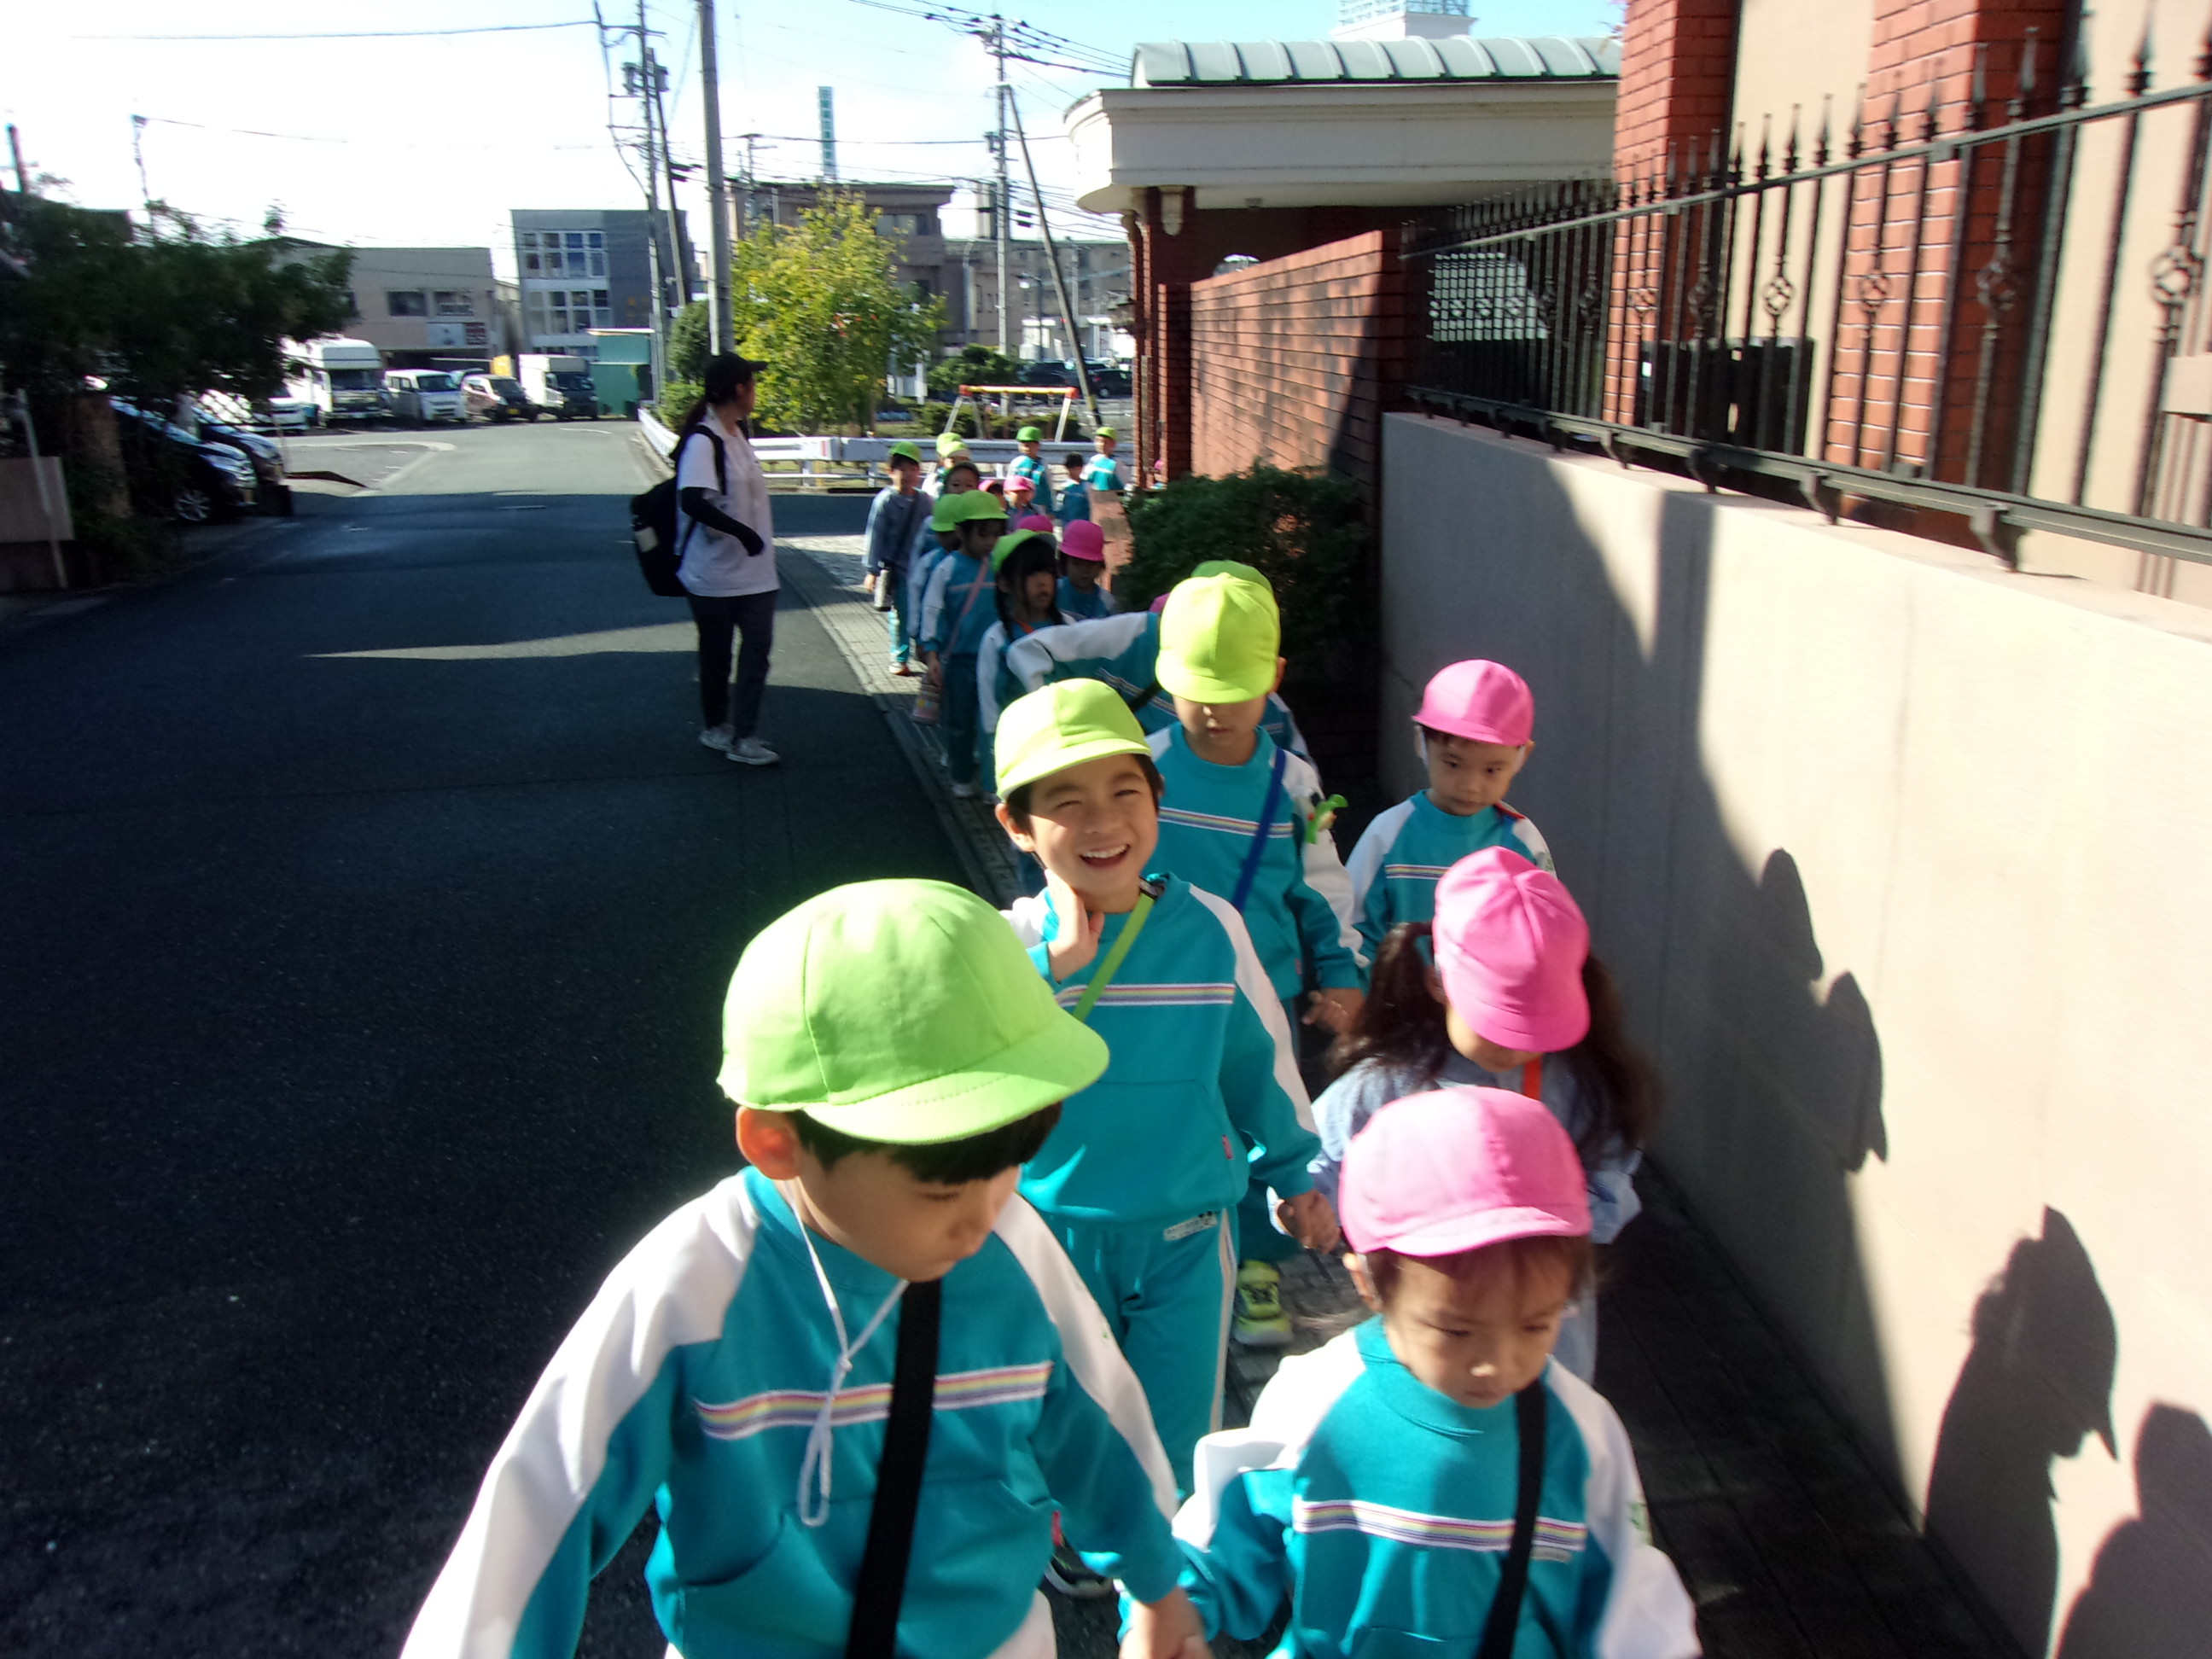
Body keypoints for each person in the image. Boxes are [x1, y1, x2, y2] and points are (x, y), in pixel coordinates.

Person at [399, 878, 1209, 1659]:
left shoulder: (1013, 1243)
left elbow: (1099, 1426)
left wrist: (1156, 1585)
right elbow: (543, 1509)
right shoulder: (696, 1284)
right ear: (777, 1142)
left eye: (1010, 1166)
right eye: (940, 1190)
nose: (983, 1214)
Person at [1161, 1087, 1699, 1659]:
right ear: (1371, 1282)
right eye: (1457, 1331)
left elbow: (1629, 1603)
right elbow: (1222, 1537)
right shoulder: (1313, 1401)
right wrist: (1174, 1611)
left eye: (1536, 1324)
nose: (1497, 1363)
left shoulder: (1582, 1431)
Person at [991, 683, 1339, 1508]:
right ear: (1017, 824)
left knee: (1177, 1433)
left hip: (1189, 1232)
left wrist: (1296, 1174)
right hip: (1050, 1234)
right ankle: (1076, 1540)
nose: (1102, 823)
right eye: (1066, 803)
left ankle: (1162, 1566)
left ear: (1158, 798)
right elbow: (960, 1064)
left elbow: (1260, 1062)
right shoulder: (1006, 948)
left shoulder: (1213, 927)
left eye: (1125, 792)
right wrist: (1051, 969)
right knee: (1063, 1421)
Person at [1312, 847, 1656, 1381]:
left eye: (1536, 1025)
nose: (1517, 1045)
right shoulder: (1386, 1083)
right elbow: (1313, 1162)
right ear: (1438, 984)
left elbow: (1610, 1173)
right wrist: (1303, 1205)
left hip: (1548, 1350)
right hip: (1430, 1341)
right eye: (1500, 1022)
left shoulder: (1584, 1083)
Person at [1142, 568, 1366, 1351]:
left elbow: (1323, 888)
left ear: (1274, 678)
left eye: (1232, 690)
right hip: (1159, 991)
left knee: (1261, 1124)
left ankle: (1260, 1266)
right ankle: (1173, 1252)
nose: (1212, 708)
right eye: (1195, 690)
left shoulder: (1292, 784)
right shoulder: (1143, 767)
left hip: (1262, 997)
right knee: (1176, 1119)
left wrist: (1342, 975)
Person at [1346, 660, 1555, 962]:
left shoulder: (1523, 842)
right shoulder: (1388, 832)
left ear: (1522, 756)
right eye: (1453, 764)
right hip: (1399, 993)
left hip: (1485, 994)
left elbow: (1545, 934)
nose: (1470, 786)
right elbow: (1353, 924)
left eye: (1492, 770)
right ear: (1420, 741)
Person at [1002, 570, 1315, 765]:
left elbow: (1304, 795)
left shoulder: (1272, 712)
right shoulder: (1140, 633)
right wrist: (1064, 743)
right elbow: (1031, 651)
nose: (1215, 705)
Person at [676, 352, 780, 767]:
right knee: (717, 656)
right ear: (739, 389)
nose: (756, 391)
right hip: (714, 575)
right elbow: (691, 500)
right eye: (752, 383)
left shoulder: (739, 434)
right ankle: (717, 726)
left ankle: (744, 736)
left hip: (756, 574)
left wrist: (752, 538)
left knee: (756, 654)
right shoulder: (705, 440)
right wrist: (743, 533)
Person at [919, 490, 1007, 798]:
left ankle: (993, 781)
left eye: (995, 534)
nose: (990, 541)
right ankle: (961, 774)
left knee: (994, 720)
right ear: (962, 531)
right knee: (960, 719)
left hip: (996, 658)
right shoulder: (947, 568)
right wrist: (931, 652)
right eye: (983, 534)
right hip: (959, 660)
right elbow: (931, 609)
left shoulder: (999, 564)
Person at [978, 530, 1068, 746]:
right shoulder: (997, 639)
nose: (1043, 581)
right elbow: (990, 707)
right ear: (1004, 583)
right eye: (1030, 573)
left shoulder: (1069, 628)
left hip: (1064, 741)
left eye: (1048, 571)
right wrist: (995, 748)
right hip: (1018, 744)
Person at [864, 440, 933, 677]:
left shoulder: (925, 501)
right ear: (890, 471)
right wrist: (872, 570)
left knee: (924, 611)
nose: (907, 474)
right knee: (901, 614)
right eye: (901, 469)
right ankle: (900, 657)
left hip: (922, 568)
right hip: (898, 569)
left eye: (912, 469)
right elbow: (875, 535)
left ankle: (924, 651)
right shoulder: (885, 500)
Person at [1057, 520, 1115, 620]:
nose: (1084, 570)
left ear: (1100, 565)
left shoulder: (1107, 602)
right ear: (1065, 562)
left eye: (1091, 564)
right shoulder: (1054, 592)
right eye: (1076, 563)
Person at [1010, 424, 1051, 502]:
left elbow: (1048, 487)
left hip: (1038, 503)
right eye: (1024, 444)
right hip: (1020, 503)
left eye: (1031, 444)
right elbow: (1009, 484)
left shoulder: (1042, 464)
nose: (1027, 448)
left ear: (1038, 445)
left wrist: (1051, 506)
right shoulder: (1017, 463)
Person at [1083, 427, 1126, 497]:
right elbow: (1086, 480)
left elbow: (1124, 484)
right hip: (1096, 498)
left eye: (1106, 442)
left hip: (1111, 499)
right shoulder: (1094, 460)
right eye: (1098, 441)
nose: (1102, 445)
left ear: (1113, 444)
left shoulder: (1116, 462)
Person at [1055, 454, 1091, 527]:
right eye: (1069, 470)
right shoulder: (1065, 487)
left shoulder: (1088, 487)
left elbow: (1093, 510)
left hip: (1083, 526)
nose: (1070, 472)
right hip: (1067, 526)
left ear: (1081, 468)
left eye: (1074, 469)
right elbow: (1060, 508)